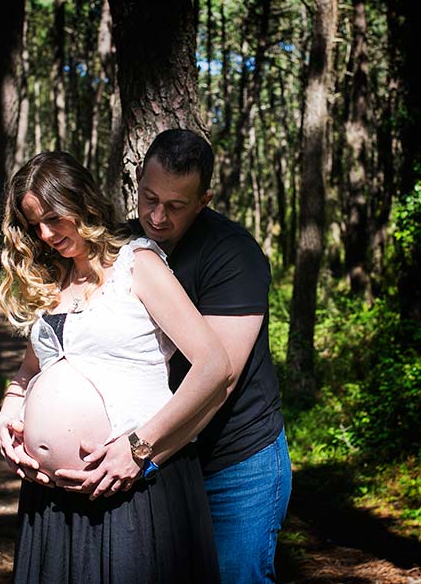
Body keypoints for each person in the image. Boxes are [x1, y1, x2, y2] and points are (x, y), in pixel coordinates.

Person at [0, 151, 230, 583]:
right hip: (51, 501)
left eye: (53, 218)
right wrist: (9, 408)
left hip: (129, 486)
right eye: (34, 225)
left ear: (82, 202)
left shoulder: (137, 264)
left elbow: (214, 366)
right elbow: (31, 370)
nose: (46, 234)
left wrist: (139, 447)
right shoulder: (53, 280)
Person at [132, 129, 292, 584]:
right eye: (149, 198)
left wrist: (142, 452)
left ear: (203, 201)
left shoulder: (232, 253)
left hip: (237, 463)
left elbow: (217, 381)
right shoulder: (123, 246)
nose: (158, 216)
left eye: (176, 206)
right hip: (163, 458)